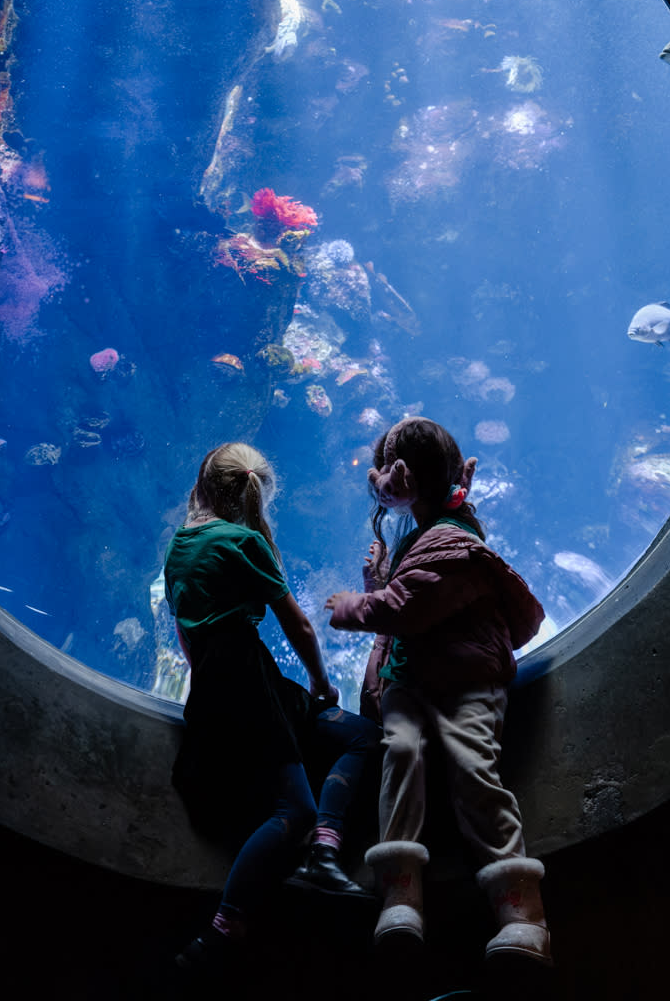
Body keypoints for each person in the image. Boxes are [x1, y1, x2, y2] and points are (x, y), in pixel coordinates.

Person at [323, 416, 553, 966]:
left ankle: (524, 917)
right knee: (400, 753)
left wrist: (356, 604)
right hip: (409, 677)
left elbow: (411, 604)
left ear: (404, 478)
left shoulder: (447, 537)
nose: (377, 480)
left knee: (473, 765)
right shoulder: (432, 524)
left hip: (466, 676)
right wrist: (380, 581)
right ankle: (401, 898)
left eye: (385, 471)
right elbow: (412, 588)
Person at [165, 443, 379, 973]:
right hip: (250, 687)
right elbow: (300, 626)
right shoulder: (244, 541)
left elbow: (185, 633)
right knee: (300, 806)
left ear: (204, 484)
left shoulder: (180, 545)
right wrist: (322, 683)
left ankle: (324, 852)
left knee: (360, 736)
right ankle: (223, 928)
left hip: (225, 688)